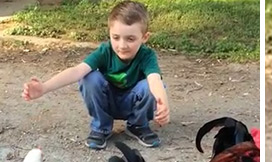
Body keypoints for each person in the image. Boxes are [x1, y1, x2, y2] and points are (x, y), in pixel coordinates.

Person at [22, 0, 170, 149]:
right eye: (116, 37)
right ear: (109, 34)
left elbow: (155, 80)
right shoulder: (105, 51)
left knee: (150, 87)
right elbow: (76, 71)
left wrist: (163, 105)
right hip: (106, 102)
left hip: (133, 103)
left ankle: (138, 125)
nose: (122, 45)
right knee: (89, 77)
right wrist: (44, 87)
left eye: (130, 39)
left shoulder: (147, 55)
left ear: (144, 37)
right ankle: (101, 127)